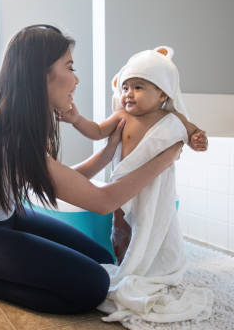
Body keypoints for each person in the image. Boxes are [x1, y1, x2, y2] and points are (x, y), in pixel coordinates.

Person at [0, 25, 185, 315]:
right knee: (92, 286)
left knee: (102, 258)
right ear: (42, 74)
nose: (76, 79)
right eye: (70, 67)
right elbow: (103, 202)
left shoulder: (18, 121)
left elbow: (63, 181)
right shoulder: (7, 132)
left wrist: (109, 149)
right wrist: (165, 158)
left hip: (7, 215)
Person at [57, 46, 207, 263]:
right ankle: (123, 261)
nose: (128, 93)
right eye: (125, 87)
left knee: (155, 226)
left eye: (138, 87)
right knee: (121, 223)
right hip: (124, 185)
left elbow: (193, 133)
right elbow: (97, 131)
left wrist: (199, 140)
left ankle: (149, 261)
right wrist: (76, 120)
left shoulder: (172, 118)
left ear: (162, 93)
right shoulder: (122, 116)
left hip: (153, 186)